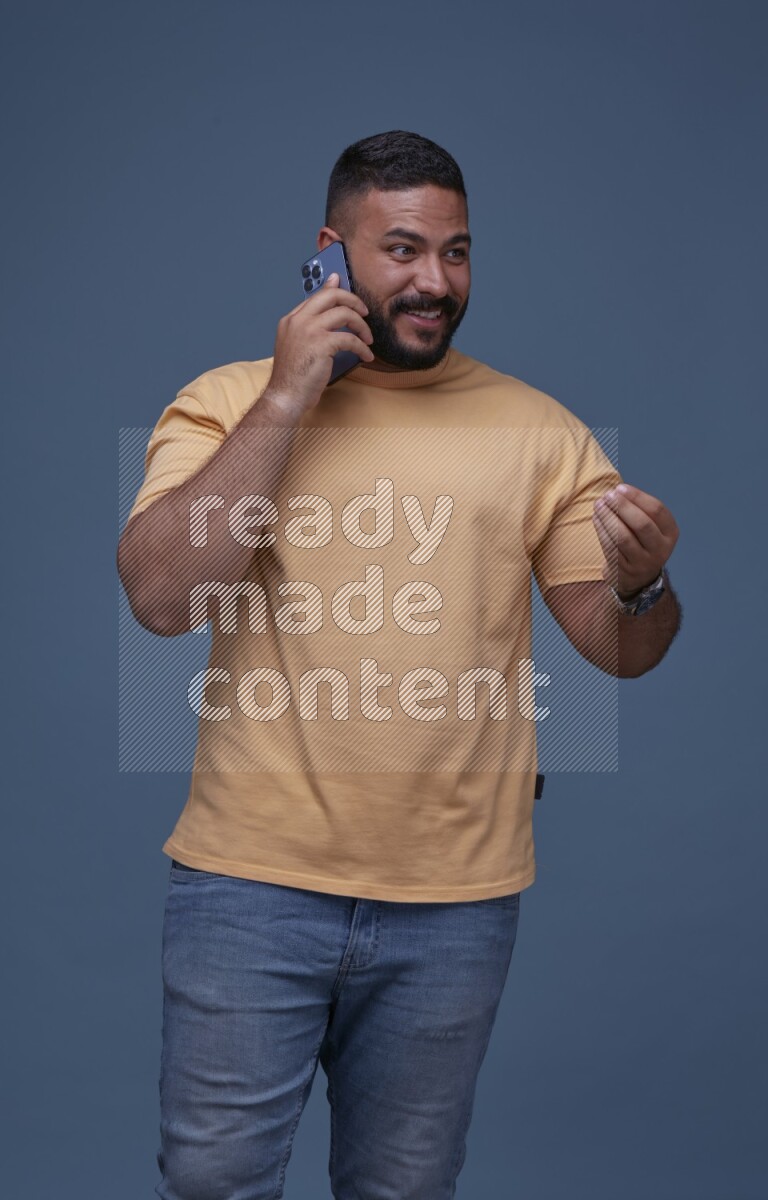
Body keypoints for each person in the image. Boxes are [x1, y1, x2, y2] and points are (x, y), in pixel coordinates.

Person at [118, 130, 681, 1200]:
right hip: (249, 887)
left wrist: (642, 587)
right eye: (404, 250)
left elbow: (617, 651)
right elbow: (160, 599)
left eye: (456, 252)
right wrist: (287, 398)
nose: (436, 282)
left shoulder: (541, 432)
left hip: (455, 903)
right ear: (330, 253)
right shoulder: (228, 402)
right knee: (212, 1185)